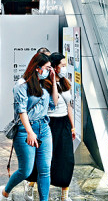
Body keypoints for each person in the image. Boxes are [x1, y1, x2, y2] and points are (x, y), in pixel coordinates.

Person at [0, 52, 59, 201]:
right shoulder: (21, 85)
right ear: (37, 68)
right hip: (26, 131)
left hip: (44, 128)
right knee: (26, 170)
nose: (50, 71)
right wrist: (30, 132)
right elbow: (21, 111)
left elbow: (54, 104)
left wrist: (54, 81)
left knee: (45, 170)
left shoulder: (45, 84)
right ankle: (5, 191)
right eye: (47, 68)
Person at [25, 53, 75, 201]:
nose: (65, 68)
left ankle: (64, 194)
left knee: (66, 158)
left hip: (64, 122)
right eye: (63, 65)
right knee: (42, 159)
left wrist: (72, 126)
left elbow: (69, 105)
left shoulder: (65, 82)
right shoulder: (44, 83)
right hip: (48, 123)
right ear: (54, 67)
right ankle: (30, 184)